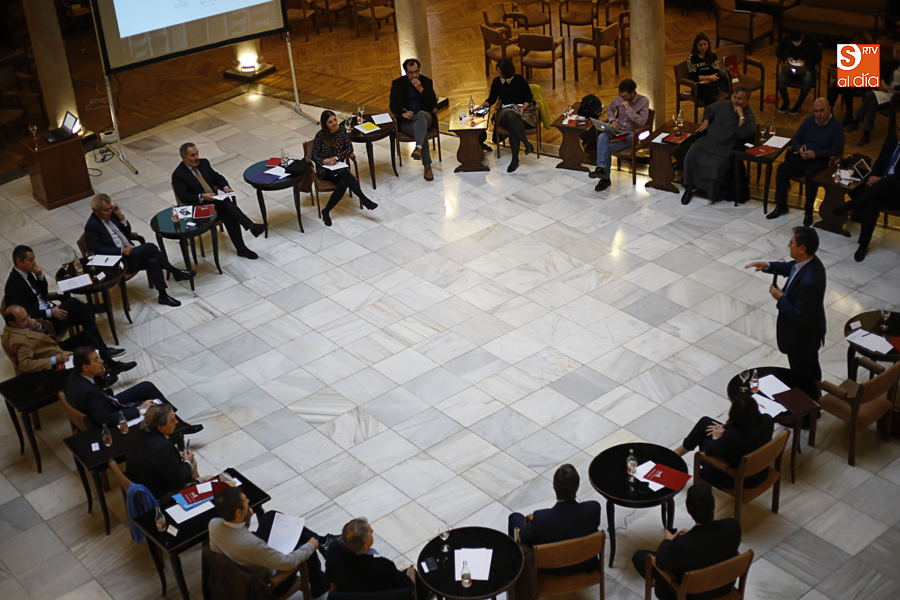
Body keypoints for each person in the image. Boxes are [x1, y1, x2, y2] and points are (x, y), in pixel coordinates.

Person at [4, 245, 129, 367]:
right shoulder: (13, 285)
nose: (34, 262)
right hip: (43, 322)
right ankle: (96, 308)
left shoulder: (28, 273)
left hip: (49, 311)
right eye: (30, 260)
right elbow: (25, 314)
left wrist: (40, 276)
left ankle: (103, 351)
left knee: (85, 316)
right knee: (72, 302)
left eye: (34, 258)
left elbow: (42, 294)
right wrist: (49, 313)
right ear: (19, 261)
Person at [209, 486, 333, 597]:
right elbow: (287, 563)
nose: (248, 502)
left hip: (244, 561)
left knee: (271, 516)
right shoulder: (251, 545)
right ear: (238, 512)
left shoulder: (213, 524)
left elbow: (237, 534)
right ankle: (319, 584)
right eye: (246, 501)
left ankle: (323, 542)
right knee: (305, 547)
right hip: (270, 582)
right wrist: (310, 547)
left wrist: (245, 519)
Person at [632, 484, 741, 600]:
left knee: (639, 557)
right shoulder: (733, 526)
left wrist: (667, 541)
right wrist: (691, 535)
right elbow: (711, 543)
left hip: (692, 596)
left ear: (688, 511)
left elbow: (661, 563)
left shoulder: (682, 545)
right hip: (725, 587)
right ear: (714, 506)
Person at [745, 227, 827, 382]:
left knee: (805, 377)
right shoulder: (808, 263)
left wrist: (780, 298)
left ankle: (811, 402)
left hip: (802, 340)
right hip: (803, 337)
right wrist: (767, 265)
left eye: (792, 243)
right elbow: (790, 268)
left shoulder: (810, 280)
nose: (789, 245)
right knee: (806, 373)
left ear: (802, 248)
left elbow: (800, 316)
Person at [84, 193, 194, 307]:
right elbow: (96, 250)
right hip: (118, 262)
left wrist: (121, 217)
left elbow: (126, 233)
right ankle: (174, 272)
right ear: (96, 211)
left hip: (131, 253)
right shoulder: (92, 226)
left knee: (153, 262)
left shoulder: (112, 215)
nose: (109, 212)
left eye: (110, 208)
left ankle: (163, 296)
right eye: (106, 210)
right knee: (150, 247)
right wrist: (121, 251)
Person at [66, 345, 203, 431]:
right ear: (86, 366)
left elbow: (97, 392)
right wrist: (140, 409)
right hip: (110, 415)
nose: (102, 361)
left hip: (106, 402)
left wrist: (101, 375)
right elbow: (107, 420)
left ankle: (176, 423)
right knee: (148, 406)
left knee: (146, 387)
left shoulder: (77, 374)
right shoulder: (87, 392)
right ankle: (175, 429)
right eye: (96, 360)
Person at [171, 143, 266, 260]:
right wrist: (202, 196)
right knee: (225, 204)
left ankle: (242, 248)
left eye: (197, 154)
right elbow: (183, 196)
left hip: (215, 204)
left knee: (228, 213)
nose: (196, 158)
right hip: (199, 209)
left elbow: (218, 178)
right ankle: (250, 228)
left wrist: (225, 187)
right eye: (192, 155)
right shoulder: (178, 174)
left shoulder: (204, 163)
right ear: (184, 157)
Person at [508, 464, 601, 573]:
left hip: (551, 571)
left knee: (514, 517)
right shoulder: (593, 509)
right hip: (582, 566)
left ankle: (514, 571)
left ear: (554, 487)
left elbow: (522, 536)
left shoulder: (541, 519)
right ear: (577, 486)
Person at [768, 98, 844, 225]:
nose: (818, 114)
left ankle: (808, 210)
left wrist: (817, 154)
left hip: (821, 160)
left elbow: (838, 149)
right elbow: (796, 138)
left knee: (811, 176)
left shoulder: (836, 125)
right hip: (803, 157)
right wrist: (799, 149)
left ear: (829, 109)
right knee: (782, 169)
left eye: (821, 111)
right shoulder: (809, 121)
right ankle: (781, 205)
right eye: (815, 111)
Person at [675, 394, 775, 490]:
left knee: (706, 437)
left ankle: (676, 455)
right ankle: (677, 452)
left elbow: (709, 450)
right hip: (760, 470)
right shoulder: (768, 420)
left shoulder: (733, 436)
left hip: (739, 478)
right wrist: (726, 429)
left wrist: (716, 437)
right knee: (705, 423)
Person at [2, 305, 121, 383]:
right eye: (23, 320)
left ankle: (110, 365)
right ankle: (102, 380)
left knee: (84, 336)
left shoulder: (14, 327)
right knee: (84, 355)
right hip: (50, 360)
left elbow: (36, 339)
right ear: (12, 322)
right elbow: (25, 365)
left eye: (27, 316)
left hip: (51, 348)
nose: (27, 320)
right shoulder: (18, 340)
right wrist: (54, 360)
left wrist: (36, 327)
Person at [833, 122, 900, 261]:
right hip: (881, 190)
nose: (899, 133)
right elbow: (879, 163)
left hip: (897, 194)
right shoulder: (891, 141)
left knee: (886, 182)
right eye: (899, 128)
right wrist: (872, 177)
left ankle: (852, 204)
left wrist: (880, 180)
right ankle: (863, 244)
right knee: (872, 203)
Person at [681, 87, 756, 205]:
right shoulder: (724, 104)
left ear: (747, 100)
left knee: (714, 165)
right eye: (735, 97)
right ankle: (689, 189)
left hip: (726, 146)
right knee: (691, 156)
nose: (736, 101)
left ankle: (711, 192)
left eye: (740, 99)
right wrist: (705, 121)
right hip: (709, 140)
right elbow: (709, 110)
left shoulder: (749, 116)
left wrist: (741, 116)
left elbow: (743, 134)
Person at [327, 518, 430, 600]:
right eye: (371, 532)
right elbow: (408, 588)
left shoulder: (333, 553)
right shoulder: (383, 566)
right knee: (412, 573)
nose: (372, 531)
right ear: (366, 544)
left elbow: (331, 582)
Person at [311, 110, 379, 227]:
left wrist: (336, 157)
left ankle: (326, 211)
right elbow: (313, 155)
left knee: (343, 184)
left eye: (335, 119)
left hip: (338, 166)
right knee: (344, 173)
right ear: (325, 124)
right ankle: (364, 199)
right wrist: (324, 161)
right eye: (330, 122)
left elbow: (349, 149)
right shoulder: (320, 135)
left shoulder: (342, 131)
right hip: (324, 169)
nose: (334, 123)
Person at [125, 404, 200, 498]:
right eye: (172, 420)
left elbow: (154, 457)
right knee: (192, 462)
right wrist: (187, 460)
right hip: (161, 494)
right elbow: (178, 482)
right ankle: (197, 488)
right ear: (160, 427)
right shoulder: (163, 447)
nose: (176, 422)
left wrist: (175, 454)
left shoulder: (136, 431)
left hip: (141, 480)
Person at [588, 78, 650, 192]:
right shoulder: (619, 97)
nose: (622, 99)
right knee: (602, 137)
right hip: (617, 131)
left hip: (631, 136)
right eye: (620, 95)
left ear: (632, 93)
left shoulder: (643, 101)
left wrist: (628, 108)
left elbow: (642, 122)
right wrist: (613, 121)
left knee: (605, 148)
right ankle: (601, 168)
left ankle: (605, 177)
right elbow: (610, 109)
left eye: (625, 96)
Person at [479, 58, 536, 173]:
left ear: (506, 72)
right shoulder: (496, 82)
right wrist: (481, 106)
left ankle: (515, 160)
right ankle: (526, 143)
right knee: (510, 117)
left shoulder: (520, 80)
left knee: (513, 126)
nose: (498, 73)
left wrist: (523, 109)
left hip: (522, 110)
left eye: (499, 72)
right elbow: (491, 99)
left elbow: (528, 98)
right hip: (505, 111)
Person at [390, 58, 438, 182]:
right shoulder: (397, 84)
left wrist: (421, 90)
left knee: (421, 115)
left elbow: (433, 104)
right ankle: (426, 164)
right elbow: (393, 106)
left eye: (416, 72)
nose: (414, 75)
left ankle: (419, 150)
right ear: (406, 72)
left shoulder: (426, 82)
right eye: (411, 73)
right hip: (408, 122)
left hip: (426, 117)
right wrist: (402, 114)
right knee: (421, 130)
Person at [844, 42, 900, 146]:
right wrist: (883, 82)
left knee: (870, 95)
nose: (898, 54)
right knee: (872, 103)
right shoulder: (895, 63)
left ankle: (856, 122)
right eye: (897, 52)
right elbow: (883, 73)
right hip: (887, 94)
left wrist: (891, 87)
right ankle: (866, 134)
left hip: (897, 97)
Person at [826, 29, 873, 125]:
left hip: (864, 78)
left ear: (865, 40)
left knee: (847, 86)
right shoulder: (852, 48)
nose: (857, 42)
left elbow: (869, 70)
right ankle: (829, 109)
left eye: (859, 40)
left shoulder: (870, 50)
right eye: (855, 40)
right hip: (851, 77)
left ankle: (849, 114)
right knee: (836, 85)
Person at [775, 29, 822, 115]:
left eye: (798, 43)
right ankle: (786, 102)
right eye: (793, 43)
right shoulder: (787, 39)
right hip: (791, 67)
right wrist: (787, 58)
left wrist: (804, 62)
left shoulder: (811, 39)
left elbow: (818, 57)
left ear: (802, 36)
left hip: (807, 67)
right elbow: (778, 52)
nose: (795, 45)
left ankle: (798, 104)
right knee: (780, 80)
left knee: (806, 82)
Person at [686, 33, 729, 108]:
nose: (703, 47)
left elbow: (715, 74)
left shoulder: (713, 56)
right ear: (696, 45)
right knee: (710, 93)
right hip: (698, 87)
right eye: (700, 45)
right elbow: (693, 77)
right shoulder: (692, 58)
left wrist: (706, 80)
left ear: (708, 44)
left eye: (705, 44)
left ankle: (709, 117)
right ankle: (715, 115)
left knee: (709, 92)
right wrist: (710, 78)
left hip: (710, 85)